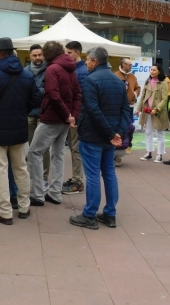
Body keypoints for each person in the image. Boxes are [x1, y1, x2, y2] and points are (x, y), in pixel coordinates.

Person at [0, 38, 41, 224]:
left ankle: (4, 212)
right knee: (21, 168)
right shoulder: (27, 75)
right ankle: (24, 207)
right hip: (19, 128)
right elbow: (36, 101)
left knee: (1, 170)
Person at [69, 47, 131, 230]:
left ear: (95, 61)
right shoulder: (118, 80)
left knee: (94, 175)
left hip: (94, 136)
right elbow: (126, 109)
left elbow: (93, 110)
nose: (86, 62)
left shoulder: (90, 80)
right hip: (110, 137)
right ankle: (110, 214)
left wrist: (112, 134)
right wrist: (118, 133)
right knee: (109, 173)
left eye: (87, 60)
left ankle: (89, 215)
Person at [27, 41, 82, 206]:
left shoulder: (52, 68)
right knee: (57, 155)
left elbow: (52, 94)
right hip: (65, 120)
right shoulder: (70, 68)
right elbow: (78, 94)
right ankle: (55, 193)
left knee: (34, 152)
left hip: (52, 118)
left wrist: (68, 115)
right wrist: (73, 116)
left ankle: (37, 194)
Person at [62, 41, 87, 195]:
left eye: (70, 52)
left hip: (77, 116)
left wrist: (76, 116)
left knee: (76, 148)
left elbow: (81, 97)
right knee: (73, 147)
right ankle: (76, 178)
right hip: (74, 115)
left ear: (78, 53)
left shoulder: (81, 72)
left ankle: (77, 181)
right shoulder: (75, 70)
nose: (67, 55)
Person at [25, 44, 49, 188]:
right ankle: (33, 176)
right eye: (35, 55)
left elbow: (48, 91)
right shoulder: (25, 71)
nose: (38, 58)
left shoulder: (49, 70)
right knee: (30, 147)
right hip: (28, 113)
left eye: (40, 55)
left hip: (43, 113)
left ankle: (44, 177)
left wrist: (33, 91)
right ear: (30, 56)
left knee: (44, 147)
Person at [136, 64, 170, 163]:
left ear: (159, 71)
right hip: (147, 111)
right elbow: (142, 96)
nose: (152, 71)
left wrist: (157, 109)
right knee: (148, 132)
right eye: (151, 70)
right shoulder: (148, 81)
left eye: (154, 70)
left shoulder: (163, 82)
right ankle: (149, 152)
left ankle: (160, 154)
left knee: (160, 133)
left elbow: (165, 99)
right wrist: (138, 109)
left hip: (158, 112)